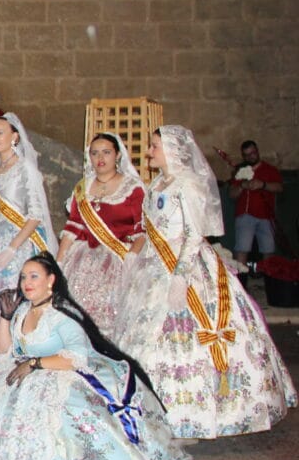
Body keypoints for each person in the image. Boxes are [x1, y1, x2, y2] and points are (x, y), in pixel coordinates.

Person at [0, 254, 192, 460]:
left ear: (51, 280)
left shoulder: (62, 314)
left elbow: (77, 357)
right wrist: (5, 319)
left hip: (64, 372)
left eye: (34, 276)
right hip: (27, 373)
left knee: (72, 413)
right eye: (24, 277)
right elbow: (5, 349)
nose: (27, 282)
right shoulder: (23, 311)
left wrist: (36, 363)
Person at [115, 126, 296, 438]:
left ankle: (198, 415)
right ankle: (151, 412)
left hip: (188, 268)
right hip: (155, 266)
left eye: (154, 146)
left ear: (171, 150)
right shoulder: (158, 182)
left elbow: (193, 234)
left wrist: (181, 276)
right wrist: (135, 254)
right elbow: (151, 227)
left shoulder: (189, 185)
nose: (149, 152)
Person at [55, 133, 146, 334]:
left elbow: (142, 230)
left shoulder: (133, 188)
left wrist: (132, 257)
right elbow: (73, 228)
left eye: (106, 152)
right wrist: (59, 262)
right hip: (82, 259)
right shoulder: (83, 187)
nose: (100, 158)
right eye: (95, 153)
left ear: (118, 155)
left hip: (118, 259)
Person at [0, 114, 55, 296]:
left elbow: (36, 214)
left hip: (20, 240)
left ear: (15, 137)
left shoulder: (25, 168)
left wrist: (13, 247)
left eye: (0, 133)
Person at [219, 140, 283, 268]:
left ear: (257, 151)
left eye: (252, 153)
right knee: (242, 249)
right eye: (247, 155)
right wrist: (243, 185)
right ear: (243, 156)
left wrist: (263, 185)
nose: (250, 157)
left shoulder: (270, 170)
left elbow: (279, 188)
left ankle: (269, 281)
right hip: (245, 215)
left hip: (266, 215)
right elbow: (232, 194)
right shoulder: (240, 171)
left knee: (268, 249)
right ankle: (241, 282)